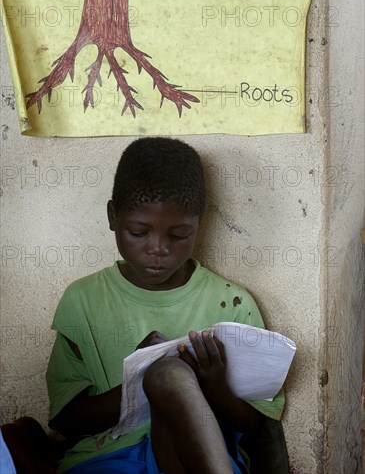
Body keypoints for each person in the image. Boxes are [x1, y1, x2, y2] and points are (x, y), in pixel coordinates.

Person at [46, 137, 285, 473]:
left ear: (199, 224)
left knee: (169, 373)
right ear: (113, 216)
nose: (157, 249)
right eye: (139, 231)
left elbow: (258, 427)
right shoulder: (82, 301)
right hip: (107, 460)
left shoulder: (233, 305)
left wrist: (214, 386)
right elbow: (65, 420)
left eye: (178, 235)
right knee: (163, 373)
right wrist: (137, 380)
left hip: (198, 457)